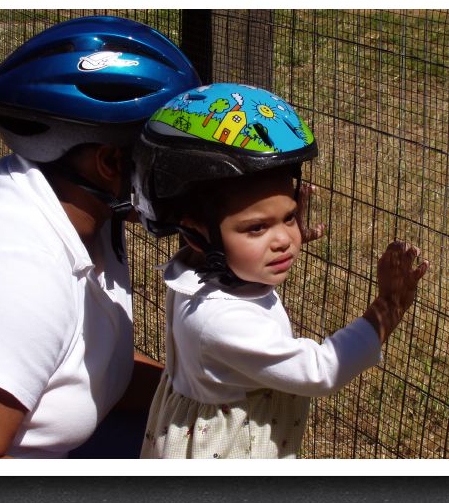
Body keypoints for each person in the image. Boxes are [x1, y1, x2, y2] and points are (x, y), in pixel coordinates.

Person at [0, 15, 202, 458]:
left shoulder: (90, 222)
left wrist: (217, 395)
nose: (188, 176)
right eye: (171, 157)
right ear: (111, 163)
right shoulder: (16, 274)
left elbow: (83, 370)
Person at [130, 83, 430, 458]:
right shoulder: (219, 323)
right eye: (257, 228)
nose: (284, 239)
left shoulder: (199, 269)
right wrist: (388, 307)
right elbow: (320, 371)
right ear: (195, 234)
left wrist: (270, 231)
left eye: (288, 217)